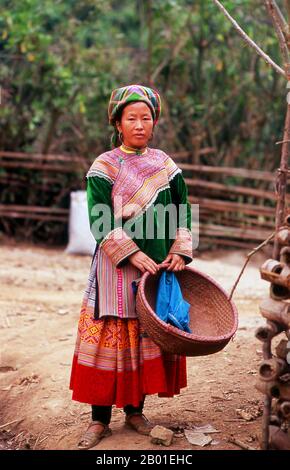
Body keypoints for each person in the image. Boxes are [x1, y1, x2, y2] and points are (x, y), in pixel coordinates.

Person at [69, 84, 193, 449]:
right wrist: (129, 252)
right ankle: (98, 420)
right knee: (111, 337)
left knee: (145, 334)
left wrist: (179, 250)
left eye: (146, 118)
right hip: (114, 269)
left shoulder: (166, 166)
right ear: (118, 123)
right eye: (131, 118)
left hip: (155, 269)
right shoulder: (104, 166)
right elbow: (98, 217)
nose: (140, 124)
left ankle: (135, 411)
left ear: (154, 122)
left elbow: (182, 207)